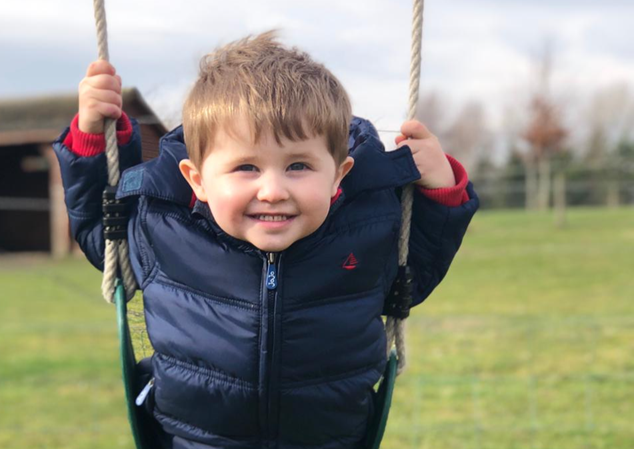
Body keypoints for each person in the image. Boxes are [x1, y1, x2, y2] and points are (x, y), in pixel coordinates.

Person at [53, 31, 479, 449]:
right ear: (197, 180)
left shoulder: (365, 228)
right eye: (246, 168)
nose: (273, 190)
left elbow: (416, 271)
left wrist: (441, 192)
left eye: (298, 166)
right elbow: (102, 233)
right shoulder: (165, 225)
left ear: (339, 175)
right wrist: (94, 137)